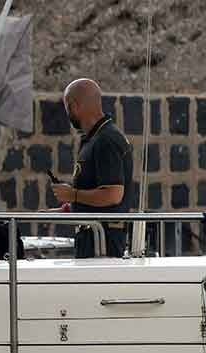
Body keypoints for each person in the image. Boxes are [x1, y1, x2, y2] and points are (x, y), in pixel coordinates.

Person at [52, 78, 134, 258]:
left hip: (102, 241)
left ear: (74, 106)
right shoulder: (94, 139)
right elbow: (94, 191)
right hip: (92, 237)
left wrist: (73, 194)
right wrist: (70, 207)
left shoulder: (106, 140)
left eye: (67, 107)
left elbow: (113, 195)